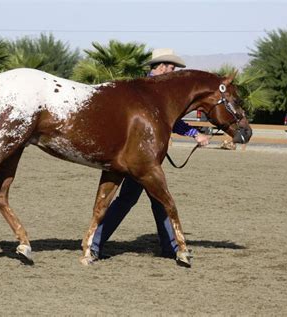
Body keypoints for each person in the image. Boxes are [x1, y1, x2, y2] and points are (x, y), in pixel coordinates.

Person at [90, 48, 211, 259]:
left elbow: (170, 121)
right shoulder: (143, 91)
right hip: (134, 156)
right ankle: (95, 243)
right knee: (137, 199)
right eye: (172, 68)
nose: (173, 73)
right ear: (161, 66)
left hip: (143, 156)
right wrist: (194, 134)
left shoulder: (156, 91)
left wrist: (193, 133)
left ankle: (167, 246)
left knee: (145, 199)